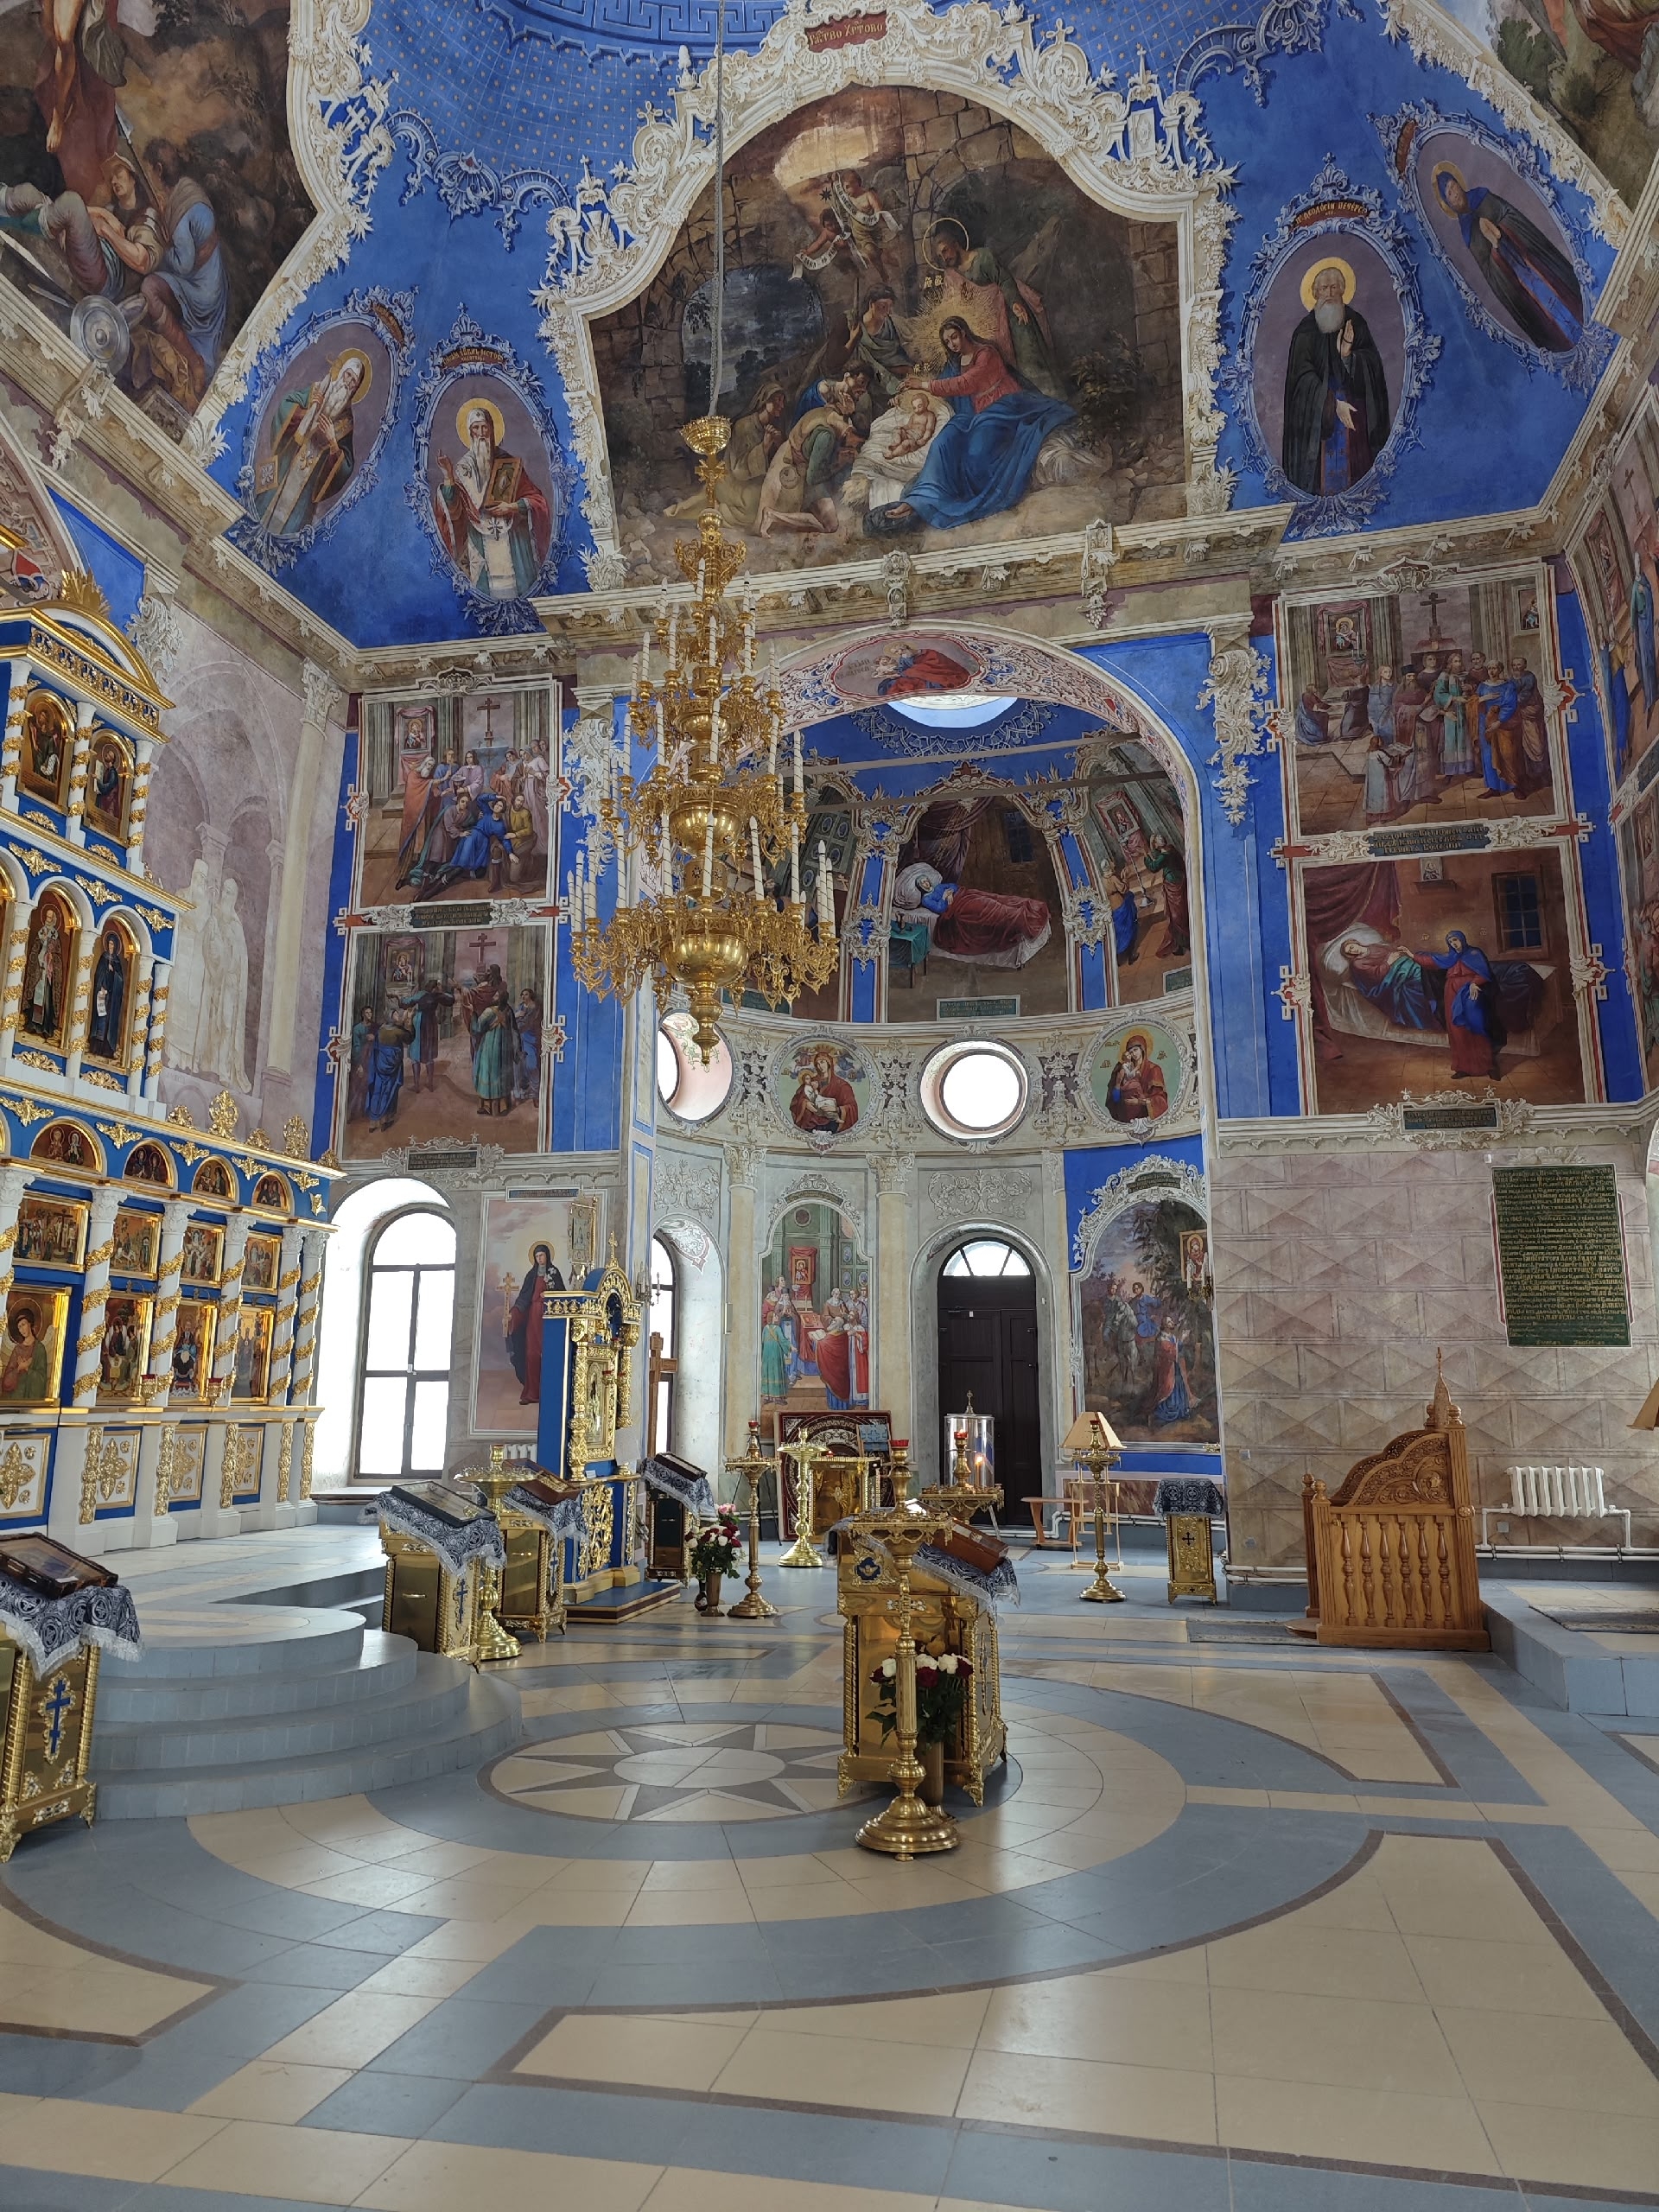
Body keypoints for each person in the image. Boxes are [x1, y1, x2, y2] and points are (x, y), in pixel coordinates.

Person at [866, 317, 1073, 536]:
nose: (952, 344)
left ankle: (951, 499)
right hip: (975, 416)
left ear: (964, 332)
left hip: (1007, 407)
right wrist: (908, 395)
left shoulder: (987, 354)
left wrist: (924, 385)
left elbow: (966, 383)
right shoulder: (955, 363)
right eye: (947, 342)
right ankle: (921, 500)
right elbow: (940, 388)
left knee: (976, 451)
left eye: (954, 337)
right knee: (943, 443)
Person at [1433, 166, 1584, 355]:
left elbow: (1510, 215)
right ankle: (1568, 346)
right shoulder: (1467, 234)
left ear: (1459, 183)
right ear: (1448, 204)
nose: (1455, 193)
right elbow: (1489, 271)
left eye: (1454, 185)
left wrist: (1502, 230)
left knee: (1560, 290)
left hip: (1533, 260)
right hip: (1518, 280)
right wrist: (1495, 251)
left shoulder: (1483, 197)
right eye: (1449, 193)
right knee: (1544, 313)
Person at [1281, 263, 1391, 498]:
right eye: (1323, 289)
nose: (1329, 293)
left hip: (1355, 421)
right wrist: (1330, 404)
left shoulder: (1356, 323)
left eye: (1334, 287)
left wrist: (1348, 356)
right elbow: (1300, 381)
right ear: (1315, 293)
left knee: (1360, 487)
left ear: (1342, 290)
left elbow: (1373, 371)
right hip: (1319, 424)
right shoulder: (1305, 331)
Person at [433, 397, 552, 600]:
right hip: (480, 548)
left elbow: (536, 499)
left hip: (512, 543)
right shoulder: (462, 470)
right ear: (469, 432)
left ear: (492, 429)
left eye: (484, 427)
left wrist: (512, 507)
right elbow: (453, 511)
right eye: (475, 428)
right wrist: (448, 476)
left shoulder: (508, 464)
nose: (481, 433)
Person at [927, 219, 1060, 396]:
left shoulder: (983, 258)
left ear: (956, 244)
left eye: (945, 251)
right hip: (987, 326)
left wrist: (1015, 303)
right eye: (940, 256)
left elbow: (1004, 280)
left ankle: (1052, 400)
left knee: (1030, 360)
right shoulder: (951, 275)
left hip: (1010, 315)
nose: (944, 258)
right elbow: (951, 303)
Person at [253, 348, 368, 537]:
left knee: (290, 529)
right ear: (341, 372)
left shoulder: (347, 423)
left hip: (306, 489)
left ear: (356, 389)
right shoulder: (318, 390)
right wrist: (304, 413)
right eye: (348, 375)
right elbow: (285, 406)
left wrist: (333, 443)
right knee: (260, 509)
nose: (347, 383)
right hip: (285, 465)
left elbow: (347, 466)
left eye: (353, 382)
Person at [1425, 929, 1502, 1077]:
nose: (1454, 944)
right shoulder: (1450, 957)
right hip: (1451, 993)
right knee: (1457, 1030)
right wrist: (1411, 955)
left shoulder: (1474, 953)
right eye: (1450, 942)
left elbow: (1484, 973)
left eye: (1455, 940)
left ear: (1462, 939)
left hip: (1470, 993)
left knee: (1476, 1025)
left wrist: (1474, 983)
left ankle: (1488, 1066)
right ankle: (1463, 1067)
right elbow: (1431, 960)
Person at [505, 1241, 564, 1404]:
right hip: (533, 1318)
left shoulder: (554, 1273)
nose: (539, 1259)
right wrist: (513, 1313)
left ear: (547, 1256)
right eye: (537, 1256)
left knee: (549, 1353)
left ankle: (550, 1392)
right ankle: (532, 1393)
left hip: (549, 1318)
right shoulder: (531, 1275)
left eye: (542, 1255)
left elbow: (562, 1294)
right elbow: (523, 1298)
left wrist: (550, 1294)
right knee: (532, 1354)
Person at [397, 978, 455, 1094]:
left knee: (416, 1053)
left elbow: (406, 1002)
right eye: (438, 986)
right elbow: (451, 999)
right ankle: (430, 1084)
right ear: (435, 988)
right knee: (429, 1053)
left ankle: (416, 1085)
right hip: (431, 1024)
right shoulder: (438, 996)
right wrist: (442, 991)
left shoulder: (421, 994)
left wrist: (399, 998)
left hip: (420, 1022)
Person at [789, 1045, 859, 1135]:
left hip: (832, 1125)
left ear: (829, 1063)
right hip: (811, 1125)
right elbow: (796, 1100)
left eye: (822, 1062)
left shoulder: (842, 1085)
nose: (820, 1066)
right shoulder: (810, 1082)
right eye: (817, 1064)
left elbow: (852, 1107)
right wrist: (805, 1103)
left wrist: (837, 1109)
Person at [365, 1009, 415, 1131]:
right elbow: (409, 1039)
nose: (398, 1015)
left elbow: (377, 1047)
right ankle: (385, 1120)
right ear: (391, 1017)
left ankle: (373, 1122)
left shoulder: (381, 1030)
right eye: (395, 1014)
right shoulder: (397, 1031)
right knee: (389, 1090)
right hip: (393, 1066)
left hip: (380, 1065)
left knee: (378, 1090)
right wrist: (409, 1022)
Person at [471, 988, 518, 1116]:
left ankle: (487, 1107)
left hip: (490, 1047)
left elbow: (477, 1028)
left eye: (496, 995)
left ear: (499, 999)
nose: (493, 997)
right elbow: (514, 1030)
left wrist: (473, 1016)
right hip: (505, 1048)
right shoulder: (509, 1011)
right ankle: (502, 1106)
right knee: (501, 1073)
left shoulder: (489, 1012)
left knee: (489, 1073)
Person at [1104, 1032, 1170, 1121]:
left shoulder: (1154, 1069)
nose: (1133, 1054)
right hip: (1128, 1116)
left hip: (1147, 1117)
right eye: (1131, 1052)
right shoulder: (1123, 1069)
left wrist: (1140, 1102)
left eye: (1135, 1050)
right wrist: (1118, 1084)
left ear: (1142, 1049)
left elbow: (1160, 1100)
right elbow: (1115, 1100)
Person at [86, 925, 125, 1059]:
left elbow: (120, 980)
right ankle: (96, 1046)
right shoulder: (103, 957)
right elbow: (98, 974)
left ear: (116, 946)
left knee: (108, 1020)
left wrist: (113, 972)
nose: (110, 946)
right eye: (109, 943)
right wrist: (101, 985)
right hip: (102, 993)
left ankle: (107, 1049)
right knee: (100, 1019)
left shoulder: (117, 962)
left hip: (111, 999)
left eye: (112, 944)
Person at [0, 1302, 48, 1402]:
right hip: (15, 1400)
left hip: (31, 1402)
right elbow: (6, 1382)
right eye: (19, 1327)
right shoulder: (17, 1350)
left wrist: (27, 1369)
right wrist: (19, 1368)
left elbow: (42, 1380)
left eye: (23, 1325)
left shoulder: (39, 1349)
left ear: (30, 1324)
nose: (21, 1329)